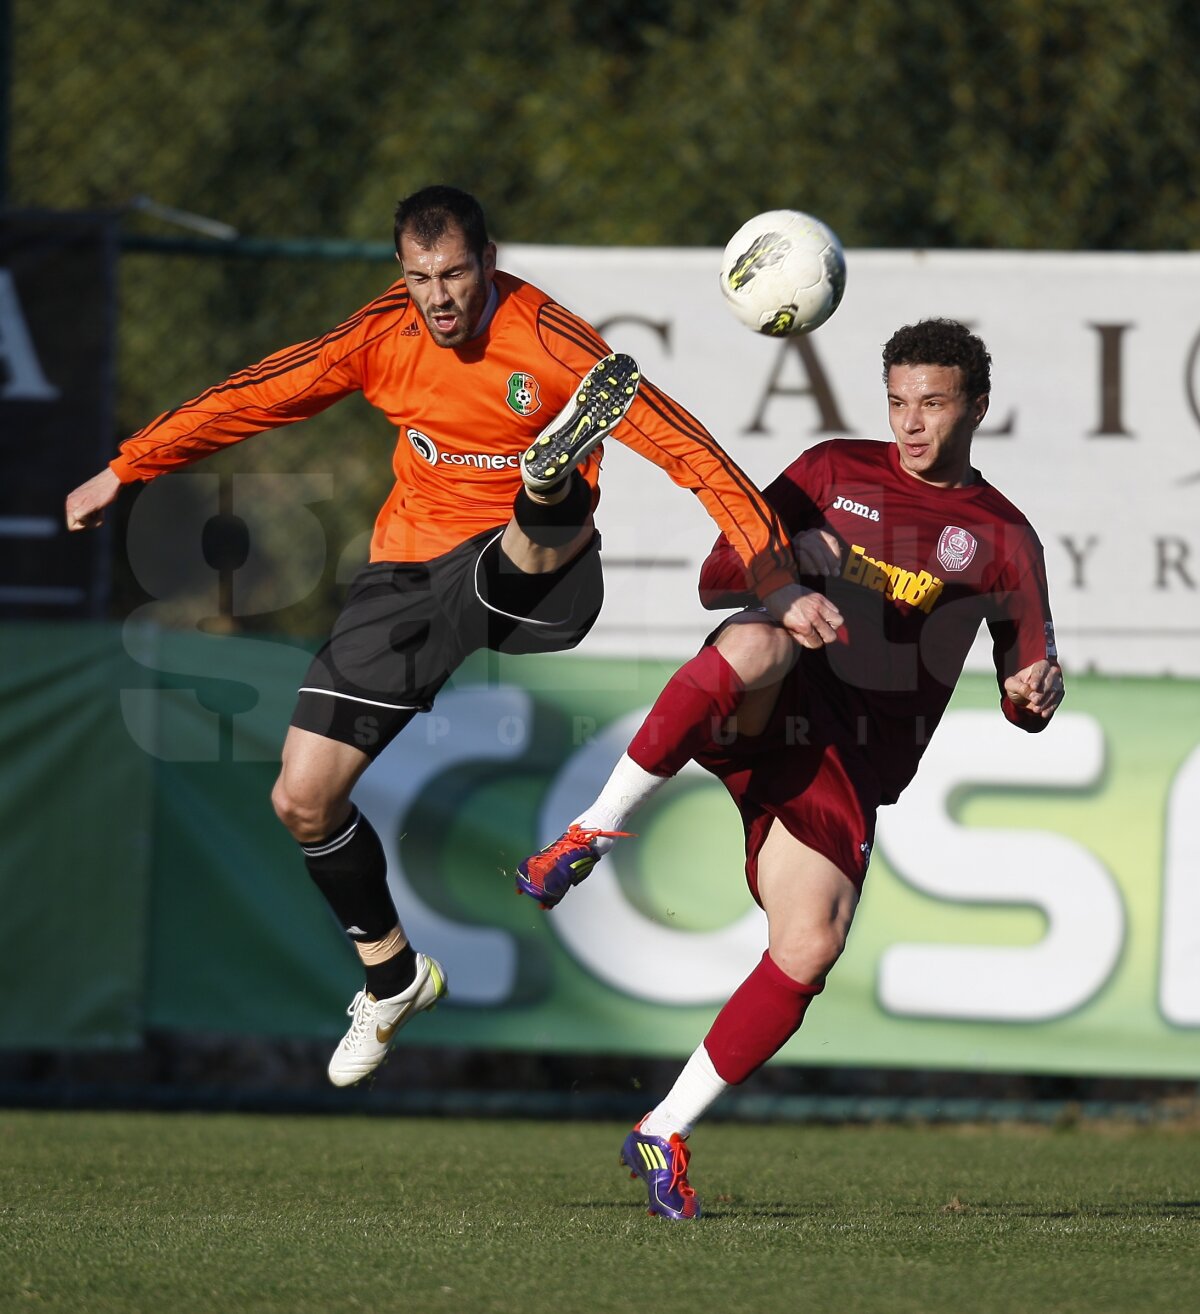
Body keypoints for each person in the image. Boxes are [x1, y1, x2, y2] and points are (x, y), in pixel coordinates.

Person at [65, 185, 838, 1088]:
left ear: (490, 259)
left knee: (521, 537)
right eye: (420, 276)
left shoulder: (549, 340)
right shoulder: (380, 334)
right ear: (402, 272)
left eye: (458, 273)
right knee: (302, 799)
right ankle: (392, 980)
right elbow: (263, 392)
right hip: (405, 581)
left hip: (544, 580)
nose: (440, 296)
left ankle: (548, 489)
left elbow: (690, 451)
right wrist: (129, 467)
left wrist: (775, 581)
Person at [516, 318, 1064, 1220]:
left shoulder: (1003, 538)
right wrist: (787, 572)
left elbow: (1023, 684)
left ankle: (663, 1128)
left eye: (932, 403)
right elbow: (716, 573)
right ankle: (588, 831)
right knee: (761, 641)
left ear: (978, 406)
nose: (910, 423)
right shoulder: (831, 472)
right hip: (767, 697)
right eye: (897, 401)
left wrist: (1034, 691)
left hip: (841, 760)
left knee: (809, 946)